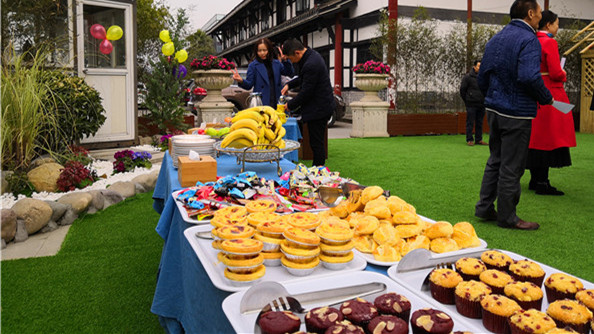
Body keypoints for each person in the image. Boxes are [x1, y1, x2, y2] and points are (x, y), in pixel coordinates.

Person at [474, 0, 553, 231]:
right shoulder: (529, 39)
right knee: (512, 166)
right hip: (517, 113)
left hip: (494, 109)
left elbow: (482, 75)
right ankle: (508, 217)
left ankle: (484, 208)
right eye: (539, 13)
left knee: (495, 160)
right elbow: (529, 77)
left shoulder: (497, 37)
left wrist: (492, 97)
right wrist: (545, 97)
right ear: (530, 14)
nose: (541, 16)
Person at [526, 10, 576, 196]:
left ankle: (534, 178)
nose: (558, 27)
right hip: (550, 92)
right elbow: (555, 72)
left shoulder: (530, 40)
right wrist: (563, 74)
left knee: (535, 137)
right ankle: (543, 182)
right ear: (548, 25)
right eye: (556, 24)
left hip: (533, 92)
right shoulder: (549, 42)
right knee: (550, 138)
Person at [281, 38, 335, 167]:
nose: (290, 61)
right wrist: (289, 85)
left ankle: (319, 171)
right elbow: (303, 78)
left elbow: (306, 92)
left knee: (317, 144)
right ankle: (318, 169)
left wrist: (289, 105)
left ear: (297, 53)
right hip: (319, 106)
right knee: (315, 143)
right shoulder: (311, 56)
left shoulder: (311, 64)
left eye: (289, 58)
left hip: (319, 108)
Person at [232, 38, 294, 107]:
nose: (262, 53)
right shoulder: (253, 66)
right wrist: (241, 81)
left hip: (278, 100)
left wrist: (285, 60)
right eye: (259, 51)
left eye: (265, 50)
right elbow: (249, 85)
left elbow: (289, 73)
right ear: (256, 51)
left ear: (269, 50)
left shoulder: (276, 63)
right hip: (262, 102)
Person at [460, 60, 488, 146]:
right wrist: (467, 100)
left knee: (480, 123)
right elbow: (462, 90)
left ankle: (479, 139)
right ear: (474, 67)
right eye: (479, 66)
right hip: (471, 104)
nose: (480, 68)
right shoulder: (468, 77)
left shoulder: (484, 77)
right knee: (470, 122)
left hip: (481, 104)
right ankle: (469, 139)